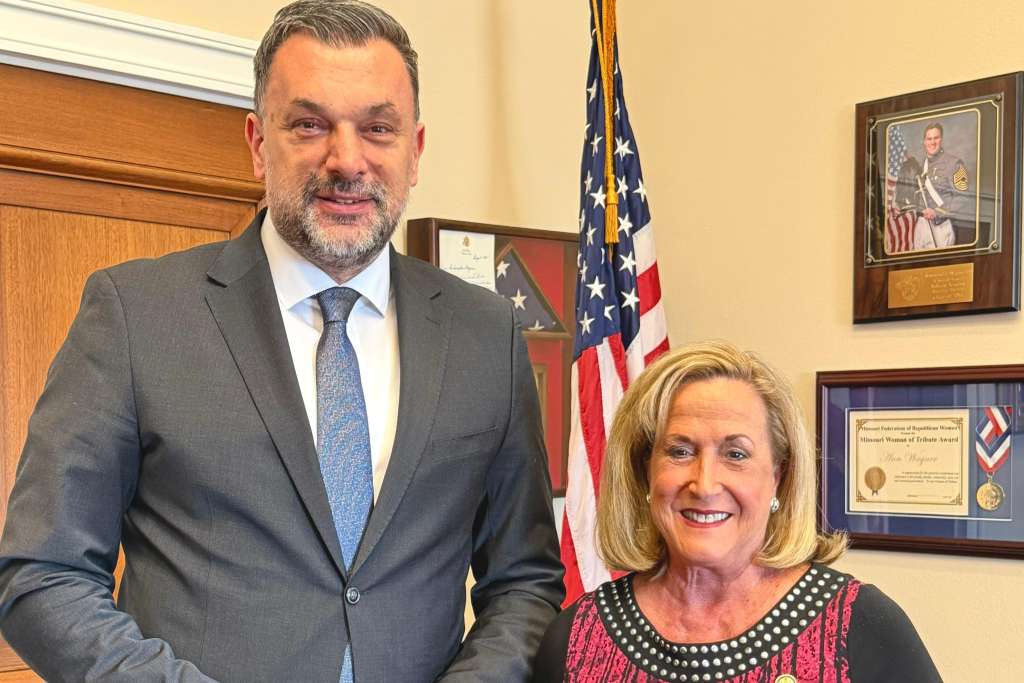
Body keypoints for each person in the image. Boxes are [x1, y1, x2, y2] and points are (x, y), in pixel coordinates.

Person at [0, 1, 563, 681]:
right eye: (309, 124)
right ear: (258, 143)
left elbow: (525, 584)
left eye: (377, 128)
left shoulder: (487, 335)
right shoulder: (135, 315)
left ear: (414, 151)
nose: (346, 160)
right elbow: (42, 573)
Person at [533, 341, 942, 682]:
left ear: (778, 476)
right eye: (680, 451)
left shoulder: (859, 625)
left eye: (736, 454)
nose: (705, 484)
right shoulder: (577, 636)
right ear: (646, 471)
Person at [905, 122, 973, 250]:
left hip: (941, 225)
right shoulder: (920, 164)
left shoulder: (954, 163)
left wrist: (937, 212)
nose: (932, 142)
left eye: (936, 138)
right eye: (929, 139)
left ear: (941, 139)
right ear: (924, 141)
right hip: (921, 224)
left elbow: (963, 196)